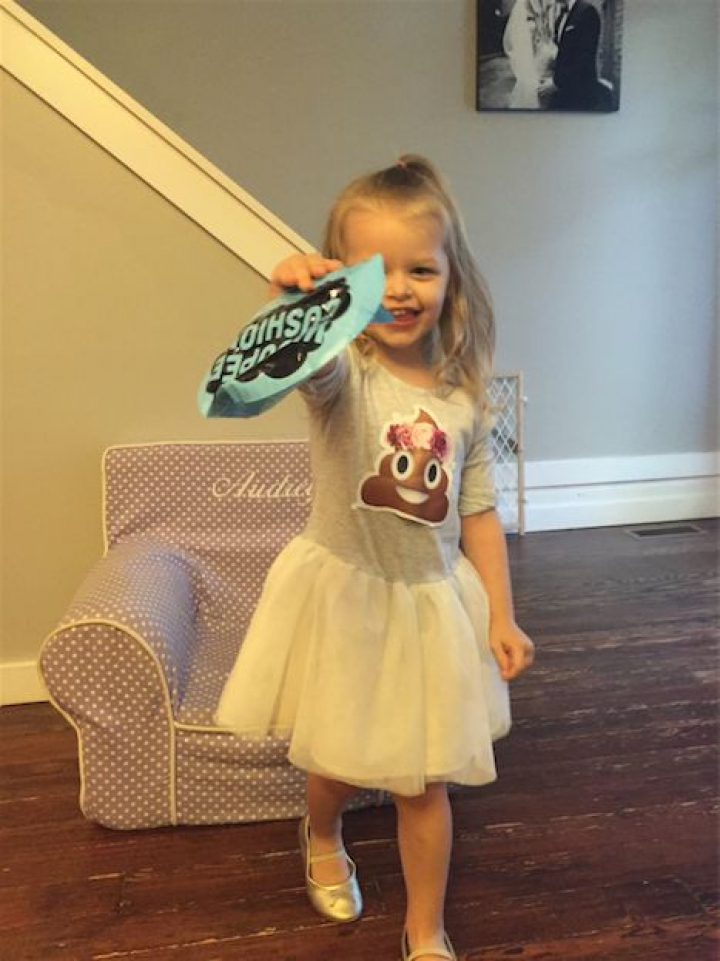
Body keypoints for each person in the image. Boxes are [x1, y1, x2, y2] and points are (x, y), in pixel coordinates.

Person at [215, 155, 535, 961]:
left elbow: (478, 511)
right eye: (373, 271)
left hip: (429, 605)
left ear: (451, 280)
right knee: (338, 758)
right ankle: (320, 829)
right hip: (349, 601)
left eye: (420, 269)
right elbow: (300, 364)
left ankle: (425, 928)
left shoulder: (465, 395)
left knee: (423, 781)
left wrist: (502, 614)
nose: (398, 288)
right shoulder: (344, 376)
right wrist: (294, 306)